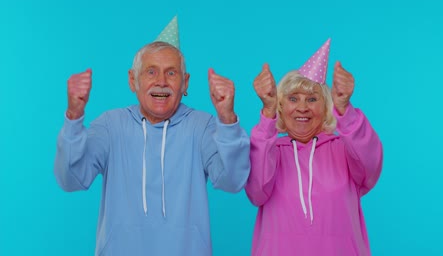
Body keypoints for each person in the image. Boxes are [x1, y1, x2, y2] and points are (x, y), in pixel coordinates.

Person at [54, 16, 250, 256]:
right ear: (132, 81)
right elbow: (71, 179)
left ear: (185, 83)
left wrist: (227, 118)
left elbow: (232, 181)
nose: (161, 82)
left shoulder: (202, 126)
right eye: (151, 72)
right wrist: (74, 116)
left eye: (171, 73)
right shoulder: (110, 125)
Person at [245, 39, 383, 255]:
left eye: (311, 99)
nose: (302, 108)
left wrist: (346, 110)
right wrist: (267, 116)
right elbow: (256, 192)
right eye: (293, 98)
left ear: (325, 106)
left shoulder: (344, 149)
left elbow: (371, 165)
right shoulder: (270, 149)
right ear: (281, 106)